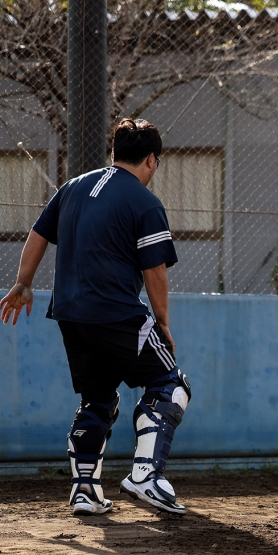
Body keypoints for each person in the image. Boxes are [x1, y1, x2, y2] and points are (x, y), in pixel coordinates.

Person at [0, 118, 191, 517]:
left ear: (114, 152)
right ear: (152, 160)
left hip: (70, 314)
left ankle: (84, 491)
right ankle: (145, 475)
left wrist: (23, 282)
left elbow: (38, 234)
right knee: (170, 385)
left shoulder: (72, 187)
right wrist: (163, 322)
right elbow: (155, 270)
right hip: (118, 313)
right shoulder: (145, 202)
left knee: (99, 398)